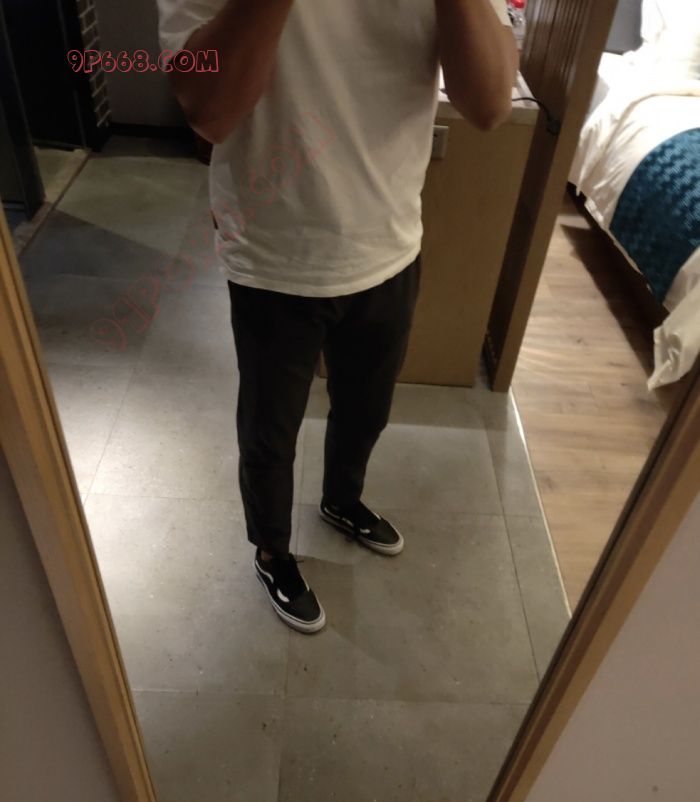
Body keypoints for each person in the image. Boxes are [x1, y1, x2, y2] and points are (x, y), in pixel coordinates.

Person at [157, 0, 519, 634]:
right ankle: (272, 552)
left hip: (389, 240)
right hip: (273, 249)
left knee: (365, 410)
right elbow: (207, 110)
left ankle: (341, 501)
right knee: (270, 434)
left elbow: (489, 104)